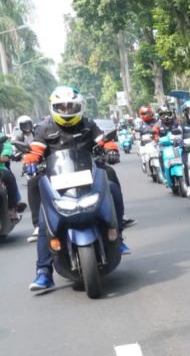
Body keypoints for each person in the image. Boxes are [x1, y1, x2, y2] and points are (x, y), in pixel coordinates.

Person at [27, 86, 131, 292]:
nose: (66, 111)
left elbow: (103, 141)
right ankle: (44, 272)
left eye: (71, 106)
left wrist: (111, 149)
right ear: (53, 107)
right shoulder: (44, 128)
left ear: (79, 106)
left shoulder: (88, 124)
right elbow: (35, 151)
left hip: (88, 175)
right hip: (58, 181)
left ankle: (118, 233)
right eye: (62, 107)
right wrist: (30, 161)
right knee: (45, 219)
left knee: (111, 183)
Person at [14, 115, 42, 242]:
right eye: (24, 125)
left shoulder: (39, 131)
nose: (27, 127)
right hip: (31, 163)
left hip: (47, 162)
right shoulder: (19, 136)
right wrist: (17, 154)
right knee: (32, 183)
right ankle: (38, 225)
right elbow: (15, 149)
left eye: (28, 123)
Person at [0, 131, 27, 222]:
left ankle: (11, 208)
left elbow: (6, 150)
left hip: (1, 168)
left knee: (10, 178)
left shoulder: (2, 137)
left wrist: (5, 155)